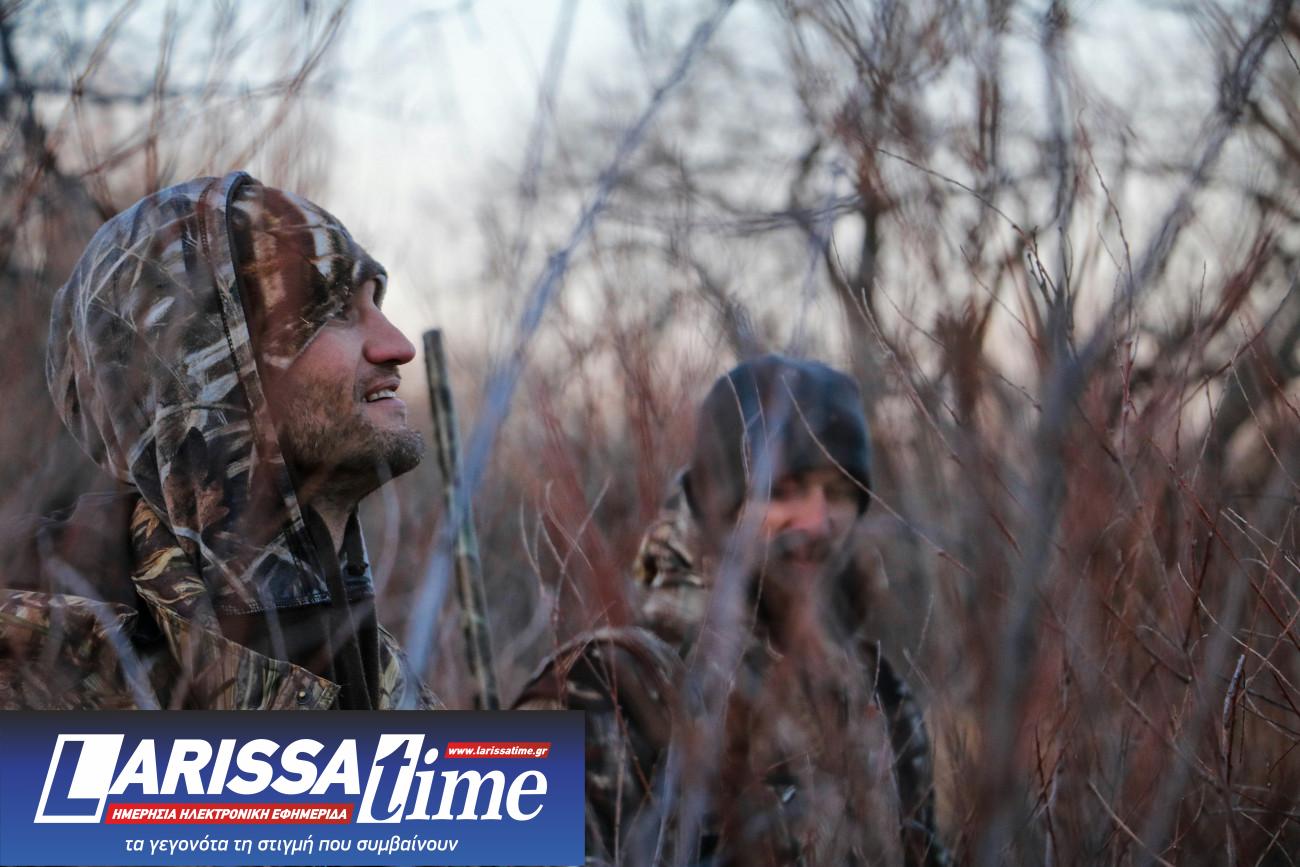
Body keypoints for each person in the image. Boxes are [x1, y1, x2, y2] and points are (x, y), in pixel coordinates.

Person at [0, 172, 438, 711]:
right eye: (338, 312)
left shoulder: (388, 679)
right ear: (208, 366)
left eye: (377, 304)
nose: (398, 345)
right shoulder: (45, 664)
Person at [516, 354, 946, 866]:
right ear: (719, 508)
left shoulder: (878, 693)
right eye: (781, 491)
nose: (815, 521)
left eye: (837, 492)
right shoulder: (601, 684)